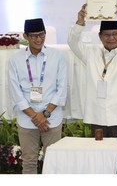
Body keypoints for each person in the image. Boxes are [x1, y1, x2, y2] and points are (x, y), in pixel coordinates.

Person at [67, 3, 117, 138]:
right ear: (100, 36)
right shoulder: (91, 53)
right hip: (98, 117)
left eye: (115, 34)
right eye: (107, 35)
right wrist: (80, 23)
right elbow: (72, 43)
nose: (111, 38)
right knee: (98, 156)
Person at [8, 18, 67, 174]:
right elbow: (16, 92)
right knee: (29, 162)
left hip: (51, 118)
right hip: (27, 119)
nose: (39, 39)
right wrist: (36, 116)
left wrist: (45, 113)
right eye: (34, 36)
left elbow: (61, 89)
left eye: (42, 34)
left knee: (54, 163)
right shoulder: (15, 59)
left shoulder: (57, 56)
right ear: (26, 37)